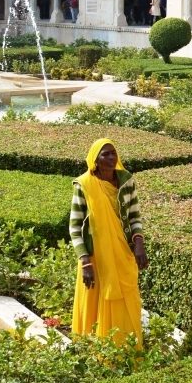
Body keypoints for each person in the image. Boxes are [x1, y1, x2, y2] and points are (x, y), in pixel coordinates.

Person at [69, 139, 147, 347]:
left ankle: (126, 346)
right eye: (106, 154)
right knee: (95, 303)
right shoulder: (84, 185)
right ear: (95, 160)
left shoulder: (126, 181)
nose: (112, 158)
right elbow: (75, 227)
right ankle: (95, 351)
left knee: (127, 297)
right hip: (95, 258)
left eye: (113, 153)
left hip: (122, 254)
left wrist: (139, 243)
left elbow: (134, 217)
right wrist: (85, 262)